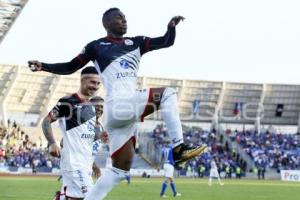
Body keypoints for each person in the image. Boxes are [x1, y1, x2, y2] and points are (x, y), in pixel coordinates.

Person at [28, 8, 207, 199]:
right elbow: (71, 66)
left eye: (125, 17)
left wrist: (171, 28)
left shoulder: (136, 42)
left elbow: (166, 41)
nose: (124, 20)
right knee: (168, 94)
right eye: (119, 18)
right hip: (120, 105)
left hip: (120, 116)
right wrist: (43, 66)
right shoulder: (96, 46)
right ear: (107, 23)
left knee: (119, 172)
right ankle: (178, 148)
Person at [42, 66, 108, 200]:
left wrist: (94, 165)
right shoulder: (68, 101)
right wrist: (52, 143)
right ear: (83, 81)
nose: (95, 86)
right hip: (73, 164)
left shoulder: (91, 109)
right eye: (92, 82)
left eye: (98, 83)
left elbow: (83, 142)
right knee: (92, 196)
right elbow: (46, 121)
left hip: (84, 166)